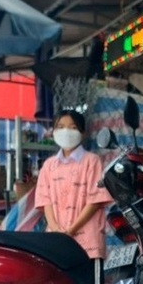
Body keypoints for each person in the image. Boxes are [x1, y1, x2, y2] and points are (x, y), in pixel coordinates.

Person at [34, 109, 113, 260]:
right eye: (61, 126)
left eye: (73, 127)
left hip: (87, 242)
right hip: (55, 241)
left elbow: (95, 201)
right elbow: (45, 201)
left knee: (86, 282)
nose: (66, 131)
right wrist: (56, 230)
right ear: (54, 132)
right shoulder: (49, 165)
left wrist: (71, 230)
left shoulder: (92, 161)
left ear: (83, 133)